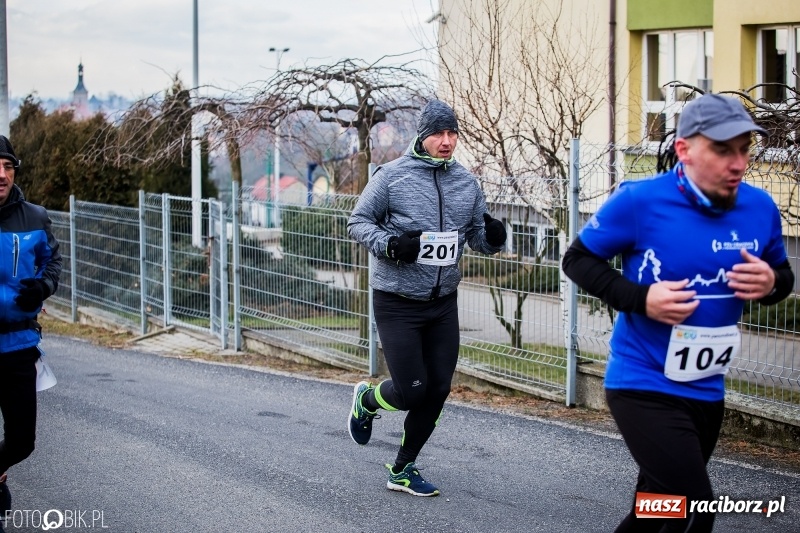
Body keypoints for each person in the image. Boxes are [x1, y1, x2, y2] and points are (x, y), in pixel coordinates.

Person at [562, 93, 795, 532]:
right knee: (694, 510)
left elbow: (781, 276)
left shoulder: (760, 207)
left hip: (706, 388)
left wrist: (771, 283)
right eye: (723, 150)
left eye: (745, 149)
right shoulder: (640, 201)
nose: (738, 163)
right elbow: (577, 260)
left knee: (657, 510)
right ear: (685, 150)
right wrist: (641, 298)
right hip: (642, 382)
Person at [346, 99, 507, 496]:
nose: (447, 141)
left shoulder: (466, 183)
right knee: (411, 392)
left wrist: (493, 238)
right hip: (397, 302)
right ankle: (367, 400)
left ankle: (403, 468)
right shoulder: (391, 177)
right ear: (422, 135)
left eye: (452, 133)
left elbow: (476, 236)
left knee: (438, 389)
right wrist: (390, 245)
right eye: (438, 133)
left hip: (442, 303)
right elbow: (358, 222)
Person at [0, 135, 62, 525]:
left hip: (19, 346)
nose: (1, 174)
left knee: (22, 441)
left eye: (7, 166)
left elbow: (52, 262)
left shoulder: (35, 218)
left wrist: (43, 287)